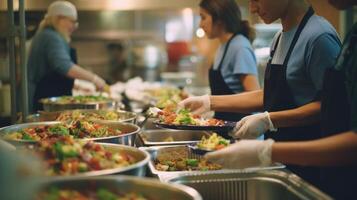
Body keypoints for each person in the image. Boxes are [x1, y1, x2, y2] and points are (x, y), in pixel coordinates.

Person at [204, 1, 357, 199]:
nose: (252, 8)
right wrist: (209, 102)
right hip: (286, 164)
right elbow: (267, 94)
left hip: (312, 167)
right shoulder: (279, 38)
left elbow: (328, 106)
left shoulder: (319, 37)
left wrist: (269, 124)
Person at [27, 1, 108, 113]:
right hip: (48, 103)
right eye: (72, 22)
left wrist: (77, 86)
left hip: (49, 99)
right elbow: (64, 66)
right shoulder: (51, 37)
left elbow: (54, 73)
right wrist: (95, 79)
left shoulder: (48, 35)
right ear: (59, 19)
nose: (74, 27)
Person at [198, 0, 260, 122]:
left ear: (219, 19)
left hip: (238, 131)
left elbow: (256, 99)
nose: (200, 24)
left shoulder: (239, 47)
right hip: (223, 128)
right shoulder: (223, 45)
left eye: (203, 18)